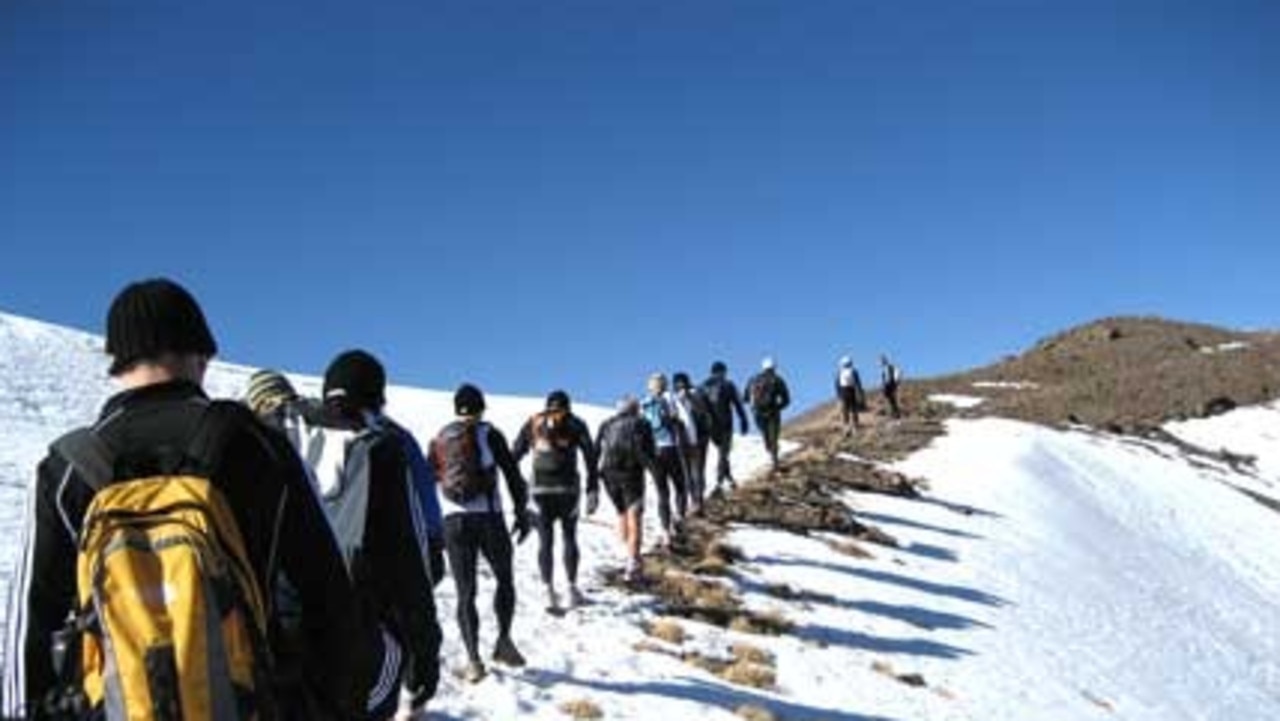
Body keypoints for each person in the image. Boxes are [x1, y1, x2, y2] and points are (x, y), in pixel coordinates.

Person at [1, 278, 368, 720]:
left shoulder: (67, 468)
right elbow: (330, 599)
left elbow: (29, 630)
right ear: (201, 353)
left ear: (116, 362)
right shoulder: (256, 446)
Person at [306, 350, 443, 720]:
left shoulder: (285, 436)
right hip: (360, 628)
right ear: (376, 396)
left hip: (288, 638)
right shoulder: (386, 445)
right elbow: (412, 553)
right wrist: (425, 650)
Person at [429, 383, 532, 684]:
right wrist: (521, 513)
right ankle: (503, 641)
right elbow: (513, 474)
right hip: (489, 518)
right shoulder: (490, 433)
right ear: (481, 407)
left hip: (453, 522)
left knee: (465, 592)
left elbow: (429, 476)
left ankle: (473, 660)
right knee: (505, 579)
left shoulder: (439, 438)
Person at [510, 390, 599, 612]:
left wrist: (521, 485)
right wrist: (592, 487)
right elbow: (590, 456)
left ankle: (548, 590)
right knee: (569, 537)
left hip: (540, 490)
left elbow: (514, 454)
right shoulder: (576, 423)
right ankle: (571, 589)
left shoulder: (533, 423)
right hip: (568, 490)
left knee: (545, 541)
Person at [596, 396, 661, 582]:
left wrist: (594, 477)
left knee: (621, 514)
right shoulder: (642, 423)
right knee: (635, 517)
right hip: (631, 474)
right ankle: (633, 563)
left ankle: (626, 554)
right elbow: (649, 452)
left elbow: (596, 449)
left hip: (608, 474)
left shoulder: (606, 424)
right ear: (635, 409)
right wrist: (656, 475)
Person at [639, 373, 689, 548]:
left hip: (653, 453)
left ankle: (665, 531)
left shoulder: (643, 404)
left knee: (662, 492)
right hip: (670, 448)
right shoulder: (670, 400)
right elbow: (680, 421)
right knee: (681, 486)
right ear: (664, 385)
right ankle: (679, 518)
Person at [700, 361, 749, 492]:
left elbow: (698, 407)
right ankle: (719, 482)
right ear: (722, 371)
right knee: (723, 453)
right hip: (725, 424)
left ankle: (730, 479)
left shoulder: (703, 386)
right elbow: (738, 403)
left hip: (709, 427)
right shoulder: (728, 385)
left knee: (722, 453)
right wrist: (743, 420)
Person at [671, 372, 713, 515]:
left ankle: (695, 501)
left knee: (688, 472)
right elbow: (708, 416)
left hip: (682, 442)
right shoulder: (699, 395)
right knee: (698, 471)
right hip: (699, 440)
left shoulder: (673, 399)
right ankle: (698, 501)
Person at [744, 357, 791, 469]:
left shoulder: (753, 379)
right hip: (772, 411)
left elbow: (745, 397)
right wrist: (779, 407)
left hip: (757, 412)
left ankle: (770, 452)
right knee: (773, 436)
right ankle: (775, 461)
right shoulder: (778, 379)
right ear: (774, 367)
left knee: (765, 435)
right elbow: (787, 399)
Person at [835, 356, 867, 433]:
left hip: (843, 392)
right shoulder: (854, 371)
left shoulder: (840, 372)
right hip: (852, 391)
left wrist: (838, 395)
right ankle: (855, 426)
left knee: (845, 410)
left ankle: (846, 427)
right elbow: (858, 383)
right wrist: (860, 392)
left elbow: (837, 384)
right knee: (853, 409)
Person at [880, 354, 903, 419]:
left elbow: (889, 378)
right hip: (889, 386)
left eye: (881, 361)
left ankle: (895, 415)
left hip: (890, 386)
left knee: (892, 400)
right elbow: (884, 379)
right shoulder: (886, 368)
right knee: (891, 400)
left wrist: (886, 386)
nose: (880, 363)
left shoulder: (889, 368)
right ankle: (894, 414)